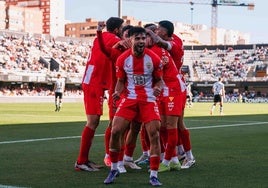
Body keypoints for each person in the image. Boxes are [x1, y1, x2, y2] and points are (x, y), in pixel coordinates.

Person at [103, 26, 164, 186]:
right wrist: (117, 92)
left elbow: (160, 80)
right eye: (137, 38)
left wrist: (158, 87)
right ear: (130, 40)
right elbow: (121, 82)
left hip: (148, 100)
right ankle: (114, 169)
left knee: (154, 134)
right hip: (129, 99)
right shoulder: (122, 59)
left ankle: (153, 175)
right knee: (115, 131)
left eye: (143, 38)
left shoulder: (154, 59)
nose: (141, 41)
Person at [74, 17, 124, 172]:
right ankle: (81, 161)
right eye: (123, 28)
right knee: (93, 122)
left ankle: (84, 160)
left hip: (94, 80)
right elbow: (118, 48)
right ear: (117, 30)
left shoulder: (102, 38)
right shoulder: (113, 38)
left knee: (94, 122)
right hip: (94, 81)